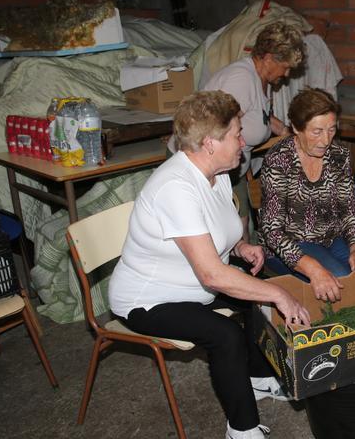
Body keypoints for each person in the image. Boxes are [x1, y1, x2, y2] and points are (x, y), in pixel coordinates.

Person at [108, 91, 311, 439]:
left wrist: (242, 246)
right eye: (236, 134)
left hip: (193, 285)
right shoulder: (176, 188)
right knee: (226, 334)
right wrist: (279, 294)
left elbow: (218, 231)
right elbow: (212, 275)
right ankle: (242, 429)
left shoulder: (214, 173)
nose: (243, 141)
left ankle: (259, 378)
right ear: (209, 143)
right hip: (148, 299)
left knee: (257, 296)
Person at [259, 88, 355, 301]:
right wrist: (311, 267)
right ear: (296, 127)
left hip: (332, 237)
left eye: (331, 130)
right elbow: (272, 231)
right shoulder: (278, 161)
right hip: (291, 243)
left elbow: (349, 207)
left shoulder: (339, 155)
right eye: (317, 131)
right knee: (339, 281)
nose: (325, 140)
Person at [202, 22, 305, 231]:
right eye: (285, 67)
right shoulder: (241, 80)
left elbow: (260, 115)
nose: (286, 74)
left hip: (231, 166)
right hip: (209, 166)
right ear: (268, 58)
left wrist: (287, 133)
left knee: (241, 225)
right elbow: (214, 126)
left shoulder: (259, 78)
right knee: (230, 229)